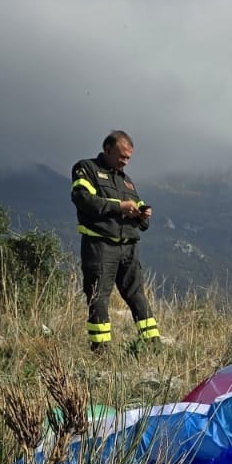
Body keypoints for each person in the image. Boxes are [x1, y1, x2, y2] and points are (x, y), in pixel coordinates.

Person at [70, 131, 160, 354]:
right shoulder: (86, 168)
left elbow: (140, 221)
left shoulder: (126, 181)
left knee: (137, 294)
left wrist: (143, 215)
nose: (125, 162)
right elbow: (83, 199)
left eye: (129, 158)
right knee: (98, 296)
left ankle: (153, 345)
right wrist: (119, 207)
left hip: (129, 246)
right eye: (122, 156)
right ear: (107, 149)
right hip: (100, 246)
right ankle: (101, 351)